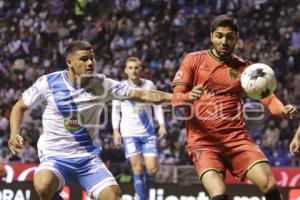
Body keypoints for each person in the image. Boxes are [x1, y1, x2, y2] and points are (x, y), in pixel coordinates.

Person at [8, 40, 172, 200]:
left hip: (88, 158)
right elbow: (19, 107)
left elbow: (142, 94)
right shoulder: (48, 82)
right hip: (55, 156)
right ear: (69, 62)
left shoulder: (103, 84)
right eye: (84, 59)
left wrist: (179, 97)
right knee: (43, 184)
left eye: (92, 58)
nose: (90, 63)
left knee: (114, 196)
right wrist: (14, 134)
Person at [172, 15, 297, 200]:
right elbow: (175, 99)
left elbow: (268, 98)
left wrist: (282, 110)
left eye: (229, 37)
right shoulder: (193, 60)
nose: (224, 41)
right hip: (203, 143)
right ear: (212, 36)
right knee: (219, 195)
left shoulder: (245, 69)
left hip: (237, 139)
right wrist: (189, 96)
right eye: (219, 36)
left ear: (236, 38)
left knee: (269, 184)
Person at [112, 57, 167, 200]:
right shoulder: (120, 87)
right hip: (129, 132)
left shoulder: (149, 85)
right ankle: (142, 198)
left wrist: (162, 125)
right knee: (137, 168)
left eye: (136, 67)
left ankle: (140, 194)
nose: (133, 70)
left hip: (147, 133)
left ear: (141, 70)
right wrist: (116, 131)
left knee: (152, 169)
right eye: (130, 67)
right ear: (125, 70)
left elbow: (157, 105)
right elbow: (115, 110)